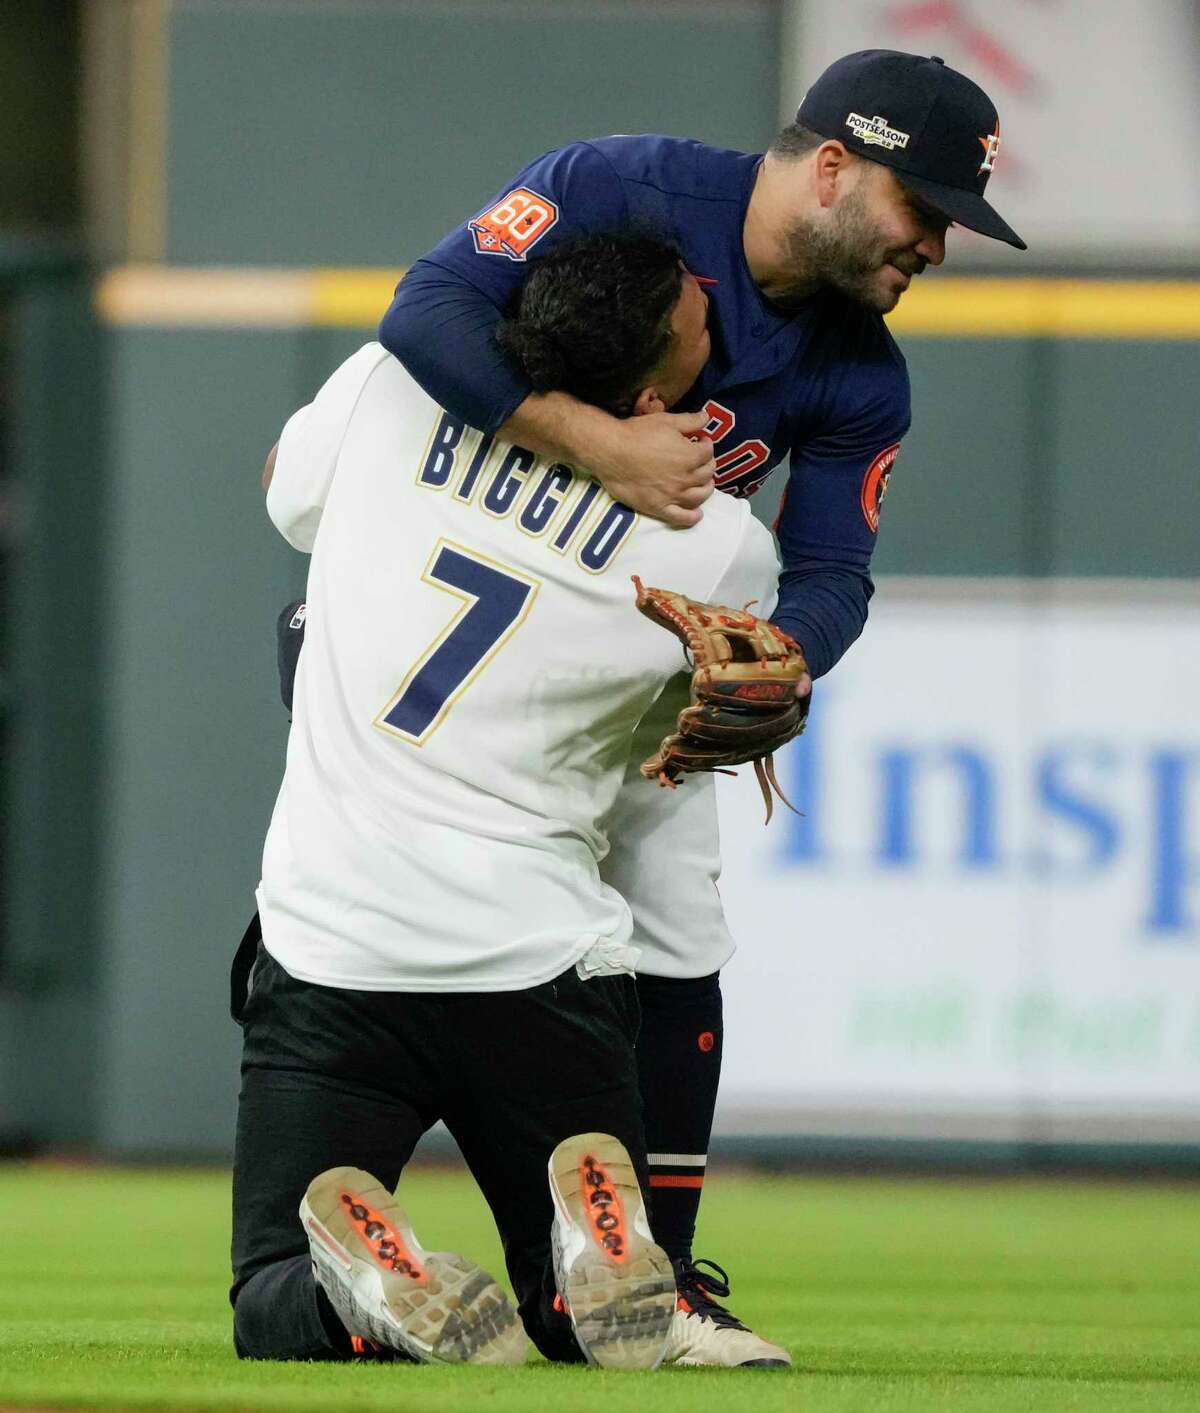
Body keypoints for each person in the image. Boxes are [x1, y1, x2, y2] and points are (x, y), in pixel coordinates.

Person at [374, 47, 1026, 1366]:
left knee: (680, 922)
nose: (937, 248)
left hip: (625, 663)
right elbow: (427, 311)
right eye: (927, 211)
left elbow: (836, 571)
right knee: (382, 915)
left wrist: (784, 657)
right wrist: (589, 432)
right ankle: (315, 1229)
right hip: (453, 606)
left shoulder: (861, 373)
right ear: (836, 165)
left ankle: (656, 1281)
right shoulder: (621, 187)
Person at [232, 232, 784, 1371]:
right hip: (540, 962)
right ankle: (585, 1241)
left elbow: (285, 493)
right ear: (647, 398)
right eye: (698, 324)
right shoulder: (722, 549)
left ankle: (362, 1295)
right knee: (569, 1322)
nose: (716, 327)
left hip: (338, 944)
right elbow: (658, 761)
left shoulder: (389, 385)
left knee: (268, 1293)